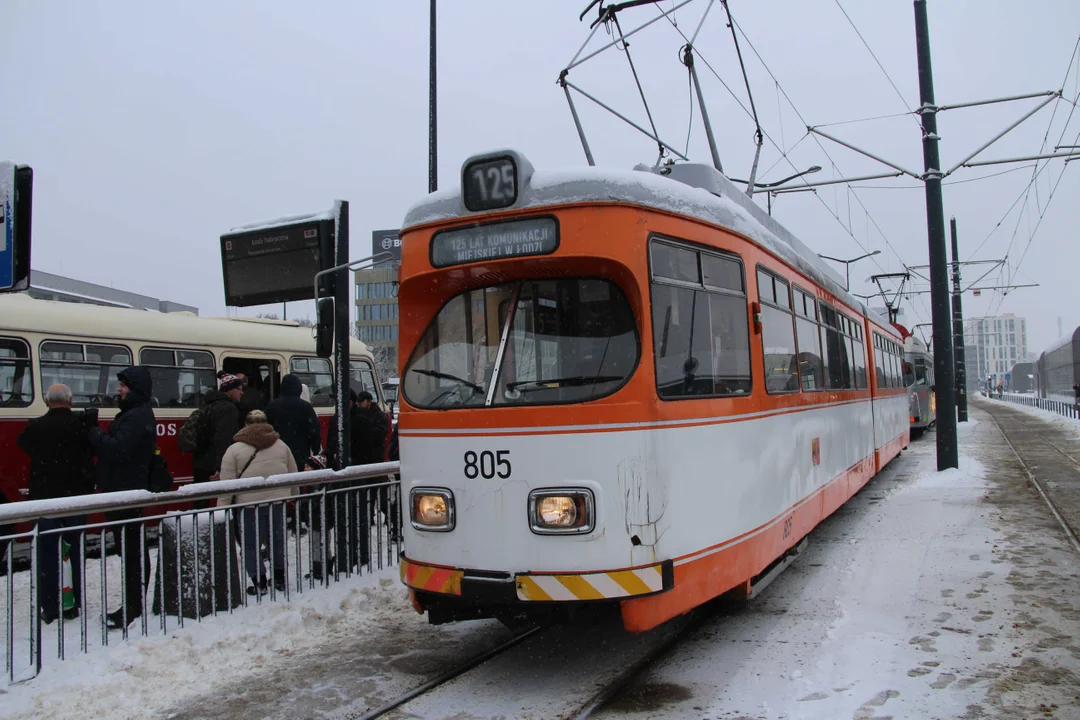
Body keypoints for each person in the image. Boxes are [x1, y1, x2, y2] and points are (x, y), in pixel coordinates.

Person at [17, 384, 95, 623]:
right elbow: (93, 448)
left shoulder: (35, 427)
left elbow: (23, 443)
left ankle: (50, 606)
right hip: (75, 499)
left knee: (48, 553)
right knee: (73, 550)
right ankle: (73, 603)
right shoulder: (81, 425)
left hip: (45, 499)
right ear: (70, 401)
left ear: (47, 401)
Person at [85, 367, 156, 629]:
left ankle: (133, 608)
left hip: (126, 491)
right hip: (123, 489)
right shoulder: (133, 414)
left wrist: (93, 431)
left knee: (132, 550)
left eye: (123, 385)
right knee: (130, 549)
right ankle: (132, 604)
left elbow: (117, 449)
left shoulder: (136, 417)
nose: (119, 389)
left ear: (134, 388)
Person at [217, 410, 297, 595]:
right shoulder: (281, 445)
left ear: (245, 425)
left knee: (250, 544)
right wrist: (293, 497)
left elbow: (226, 484)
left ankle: (259, 581)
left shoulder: (234, 450)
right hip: (277, 502)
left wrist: (222, 509)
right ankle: (279, 578)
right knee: (276, 541)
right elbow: (294, 475)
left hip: (249, 505)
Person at [191, 372, 244, 509]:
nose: (241, 392)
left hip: (200, 461)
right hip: (212, 464)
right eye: (239, 389)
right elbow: (223, 439)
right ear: (230, 390)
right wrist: (219, 467)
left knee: (201, 502)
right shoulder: (228, 409)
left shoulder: (208, 404)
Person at [265, 374, 321, 472]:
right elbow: (314, 431)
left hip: (277, 453)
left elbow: (266, 429)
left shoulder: (272, 406)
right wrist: (315, 450)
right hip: (300, 453)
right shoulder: (305, 407)